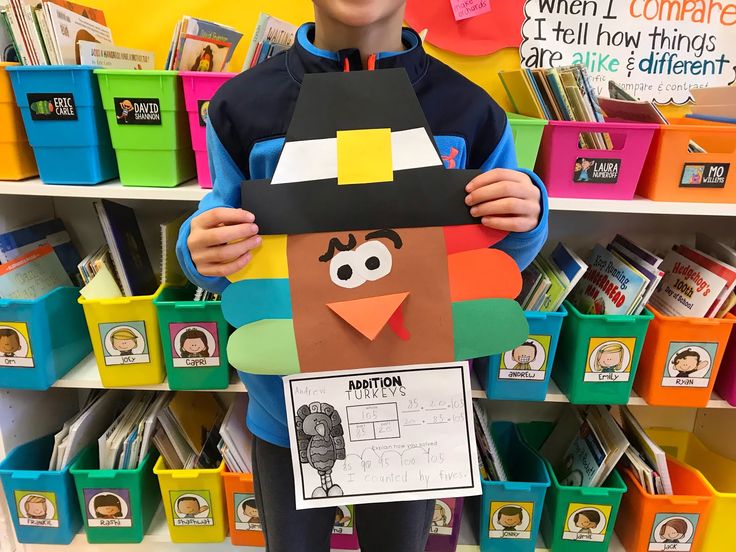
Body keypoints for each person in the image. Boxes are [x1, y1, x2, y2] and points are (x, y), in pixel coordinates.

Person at [177, 2, 548, 550]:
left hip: (413, 402)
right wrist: (199, 249)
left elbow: (498, 259)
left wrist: (527, 215)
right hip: (289, 406)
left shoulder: (470, 111)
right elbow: (224, 238)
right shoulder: (241, 106)